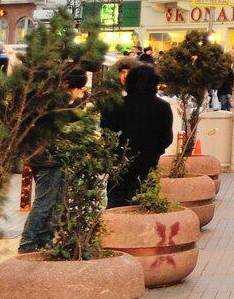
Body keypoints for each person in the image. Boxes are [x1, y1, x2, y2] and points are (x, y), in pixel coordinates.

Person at [20, 67, 91, 253]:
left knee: (56, 201)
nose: (76, 92)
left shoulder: (46, 96)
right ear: (69, 85)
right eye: (77, 88)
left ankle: (44, 240)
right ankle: (28, 243)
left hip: (45, 156)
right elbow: (62, 123)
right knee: (45, 201)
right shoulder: (55, 101)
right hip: (47, 157)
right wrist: (77, 106)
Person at [104, 64, 173, 207]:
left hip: (119, 164)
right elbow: (166, 138)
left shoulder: (114, 105)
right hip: (148, 163)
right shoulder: (162, 107)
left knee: (116, 205)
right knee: (145, 205)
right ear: (155, 83)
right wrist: (156, 151)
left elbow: (106, 134)